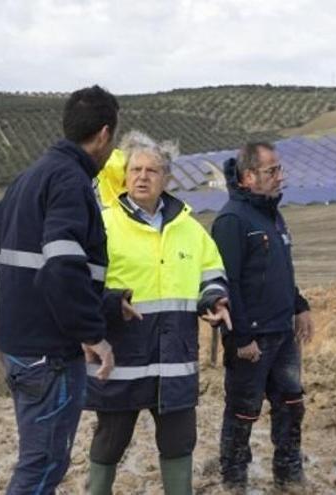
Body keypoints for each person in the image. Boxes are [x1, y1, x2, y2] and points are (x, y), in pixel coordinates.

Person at [0, 85, 138, 495]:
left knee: (37, 460)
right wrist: (93, 334)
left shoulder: (32, 176)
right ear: (103, 135)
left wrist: (2, 307)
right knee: (42, 465)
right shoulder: (70, 181)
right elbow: (63, 264)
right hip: (51, 355)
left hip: (23, 344)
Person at [85, 130, 231, 495]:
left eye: (152, 170)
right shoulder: (103, 224)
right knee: (109, 443)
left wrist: (214, 299)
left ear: (167, 178)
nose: (142, 176)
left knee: (179, 442)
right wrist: (110, 301)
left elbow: (211, 272)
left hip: (175, 362)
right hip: (121, 361)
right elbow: (79, 283)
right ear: (125, 174)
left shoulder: (190, 229)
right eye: (135, 169)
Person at [211, 142, 314, 490]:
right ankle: (234, 480)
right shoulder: (232, 220)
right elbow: (228, 284)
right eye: (271, 171)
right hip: (252, 339)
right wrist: (240, 338)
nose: (279, 176)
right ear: (248, 176)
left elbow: (282, 269)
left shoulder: (272, 215)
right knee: (243, 412)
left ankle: (288, 473)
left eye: (279, 169)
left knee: (291, 404)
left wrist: (299, 305)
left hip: (283, 335)